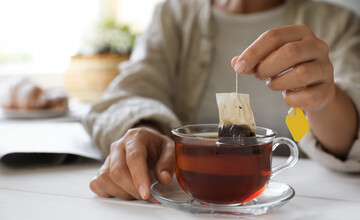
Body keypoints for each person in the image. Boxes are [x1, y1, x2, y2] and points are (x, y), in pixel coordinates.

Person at [84, 0, 360, 202]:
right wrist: (146, 132)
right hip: (181, 210)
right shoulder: (174, 14)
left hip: (304, 209)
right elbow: (124, 95)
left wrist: (323, 101)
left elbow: (352, 137)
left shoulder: (338, 24)